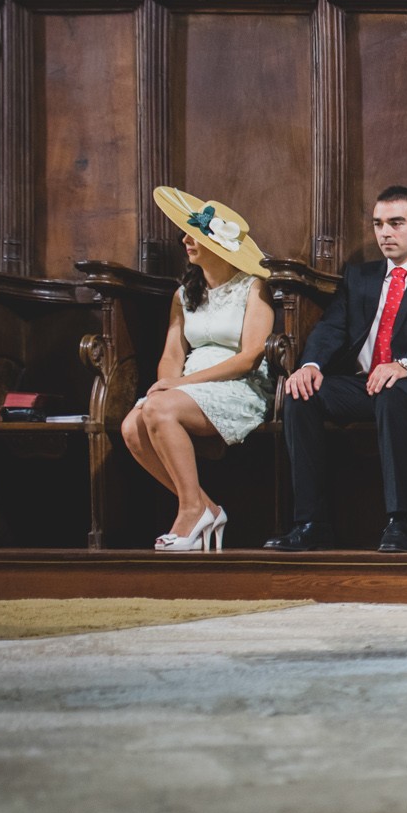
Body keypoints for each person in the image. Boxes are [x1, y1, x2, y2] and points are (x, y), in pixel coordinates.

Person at [266, 185, 407, 553]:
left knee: (391, 392)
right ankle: (311, 524)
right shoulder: (360, 277)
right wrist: (310, 365)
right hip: (362, 384)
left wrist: (405, 365)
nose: (385, 233)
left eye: (395, 223)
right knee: (300, 394)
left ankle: (398, 522)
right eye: (378, 224)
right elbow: (332, 326)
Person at [123, 187, 277, 552]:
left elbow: (251, 356)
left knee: (159, 408)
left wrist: (179, 385)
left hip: (238, 385)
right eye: (186, 233)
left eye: (195, 234)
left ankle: (191, 511)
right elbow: (172, 353)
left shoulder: (254, 287)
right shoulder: (183, 293)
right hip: (186, 385)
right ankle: (204, 506)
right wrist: (165, 384)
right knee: (132, 425)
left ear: (219, 243)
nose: (186, 240)